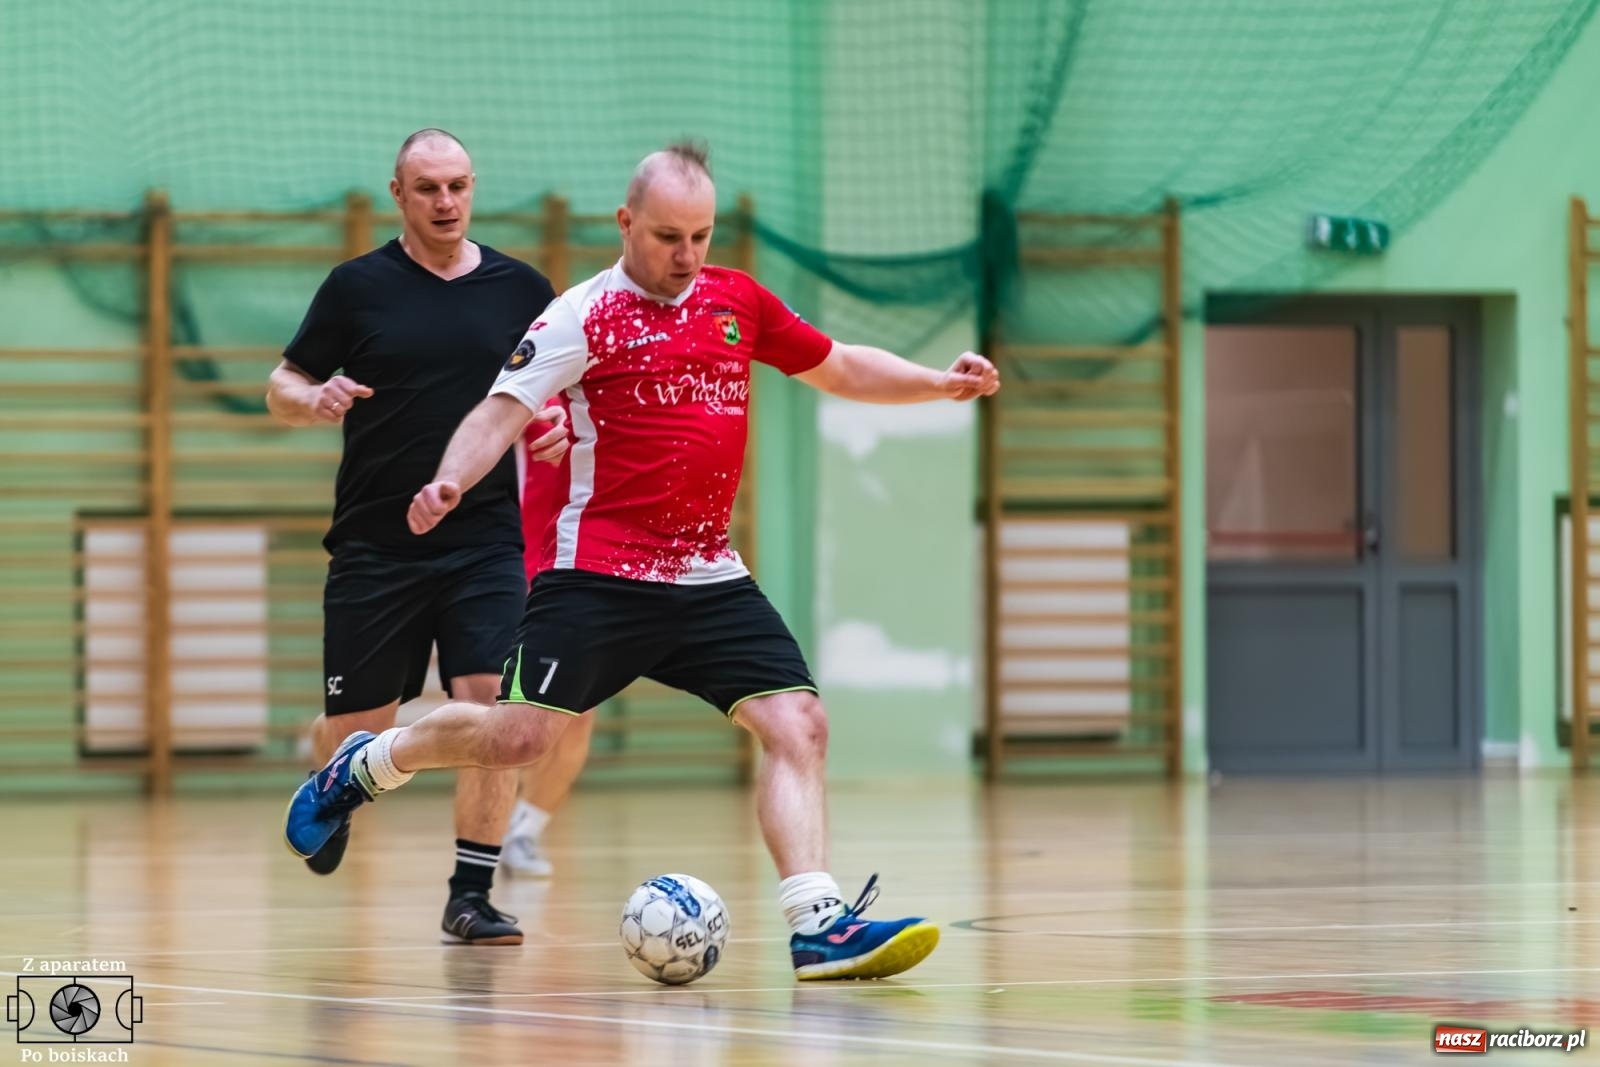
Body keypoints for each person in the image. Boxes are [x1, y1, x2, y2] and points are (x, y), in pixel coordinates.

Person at [285, 139, 1000, 980]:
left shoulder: (737, 301)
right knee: (516, 739)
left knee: (798, 721)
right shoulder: (579, 314)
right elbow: (501, 409)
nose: (687, 256)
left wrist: (936, 383)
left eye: (700, 236)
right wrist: (448, 480)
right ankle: (367, 764)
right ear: (628, 223)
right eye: (668, 237)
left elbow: (839, 365)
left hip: (706, 574)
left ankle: (818, 922)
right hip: (598, 577)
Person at [268, 128, 567, 945]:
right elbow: (279, 384)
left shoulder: (521, 288)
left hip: (484, 545)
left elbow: (558, 388)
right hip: (374, 545)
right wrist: (313, 396)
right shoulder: (356, 287)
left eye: (459, 185)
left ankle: (471, 894)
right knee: (358, 733)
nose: (446, 202)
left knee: (495, 714)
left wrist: (554, 429)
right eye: (428, 187)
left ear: (474, 189)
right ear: (397, 194)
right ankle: (336, 783)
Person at [500, 408, 597, 879]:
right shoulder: (531, 383)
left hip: (586, 570)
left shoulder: (619, 389)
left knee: (579, 718)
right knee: (510, 716)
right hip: (517, 571)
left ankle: (523, 831)